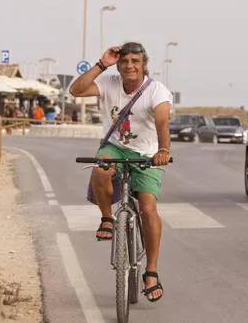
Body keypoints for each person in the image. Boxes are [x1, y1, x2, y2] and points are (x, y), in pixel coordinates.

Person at [68, 42, 172, 303]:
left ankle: (151, 272)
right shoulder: (108, 83)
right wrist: (102, 63)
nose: (129, 66)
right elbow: (75, 90)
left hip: (147, 153)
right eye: (124, 61)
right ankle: (106, 219)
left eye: (135, 61)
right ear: (119, 64)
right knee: (101, 165)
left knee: (148, 209)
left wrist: (163, 149)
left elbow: (161, 120)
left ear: (144, 64)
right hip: (115, 147)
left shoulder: (157, 91)